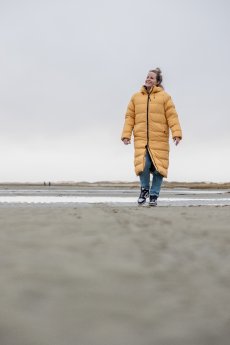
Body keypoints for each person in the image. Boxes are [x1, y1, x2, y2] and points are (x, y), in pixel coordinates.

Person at [121, 68, 182, 206]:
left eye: (152, 78)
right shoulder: (136, 97)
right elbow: (129, 117)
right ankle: (144, 190)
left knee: (158, 169)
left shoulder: (165, 97)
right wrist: (126, 135)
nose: (148, 79)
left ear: (158, 82)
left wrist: (176, 134)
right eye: (147, 77)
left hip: (159, 138)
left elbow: (172, 116)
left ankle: (153, 195)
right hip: (141, 138)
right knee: (143, 165)